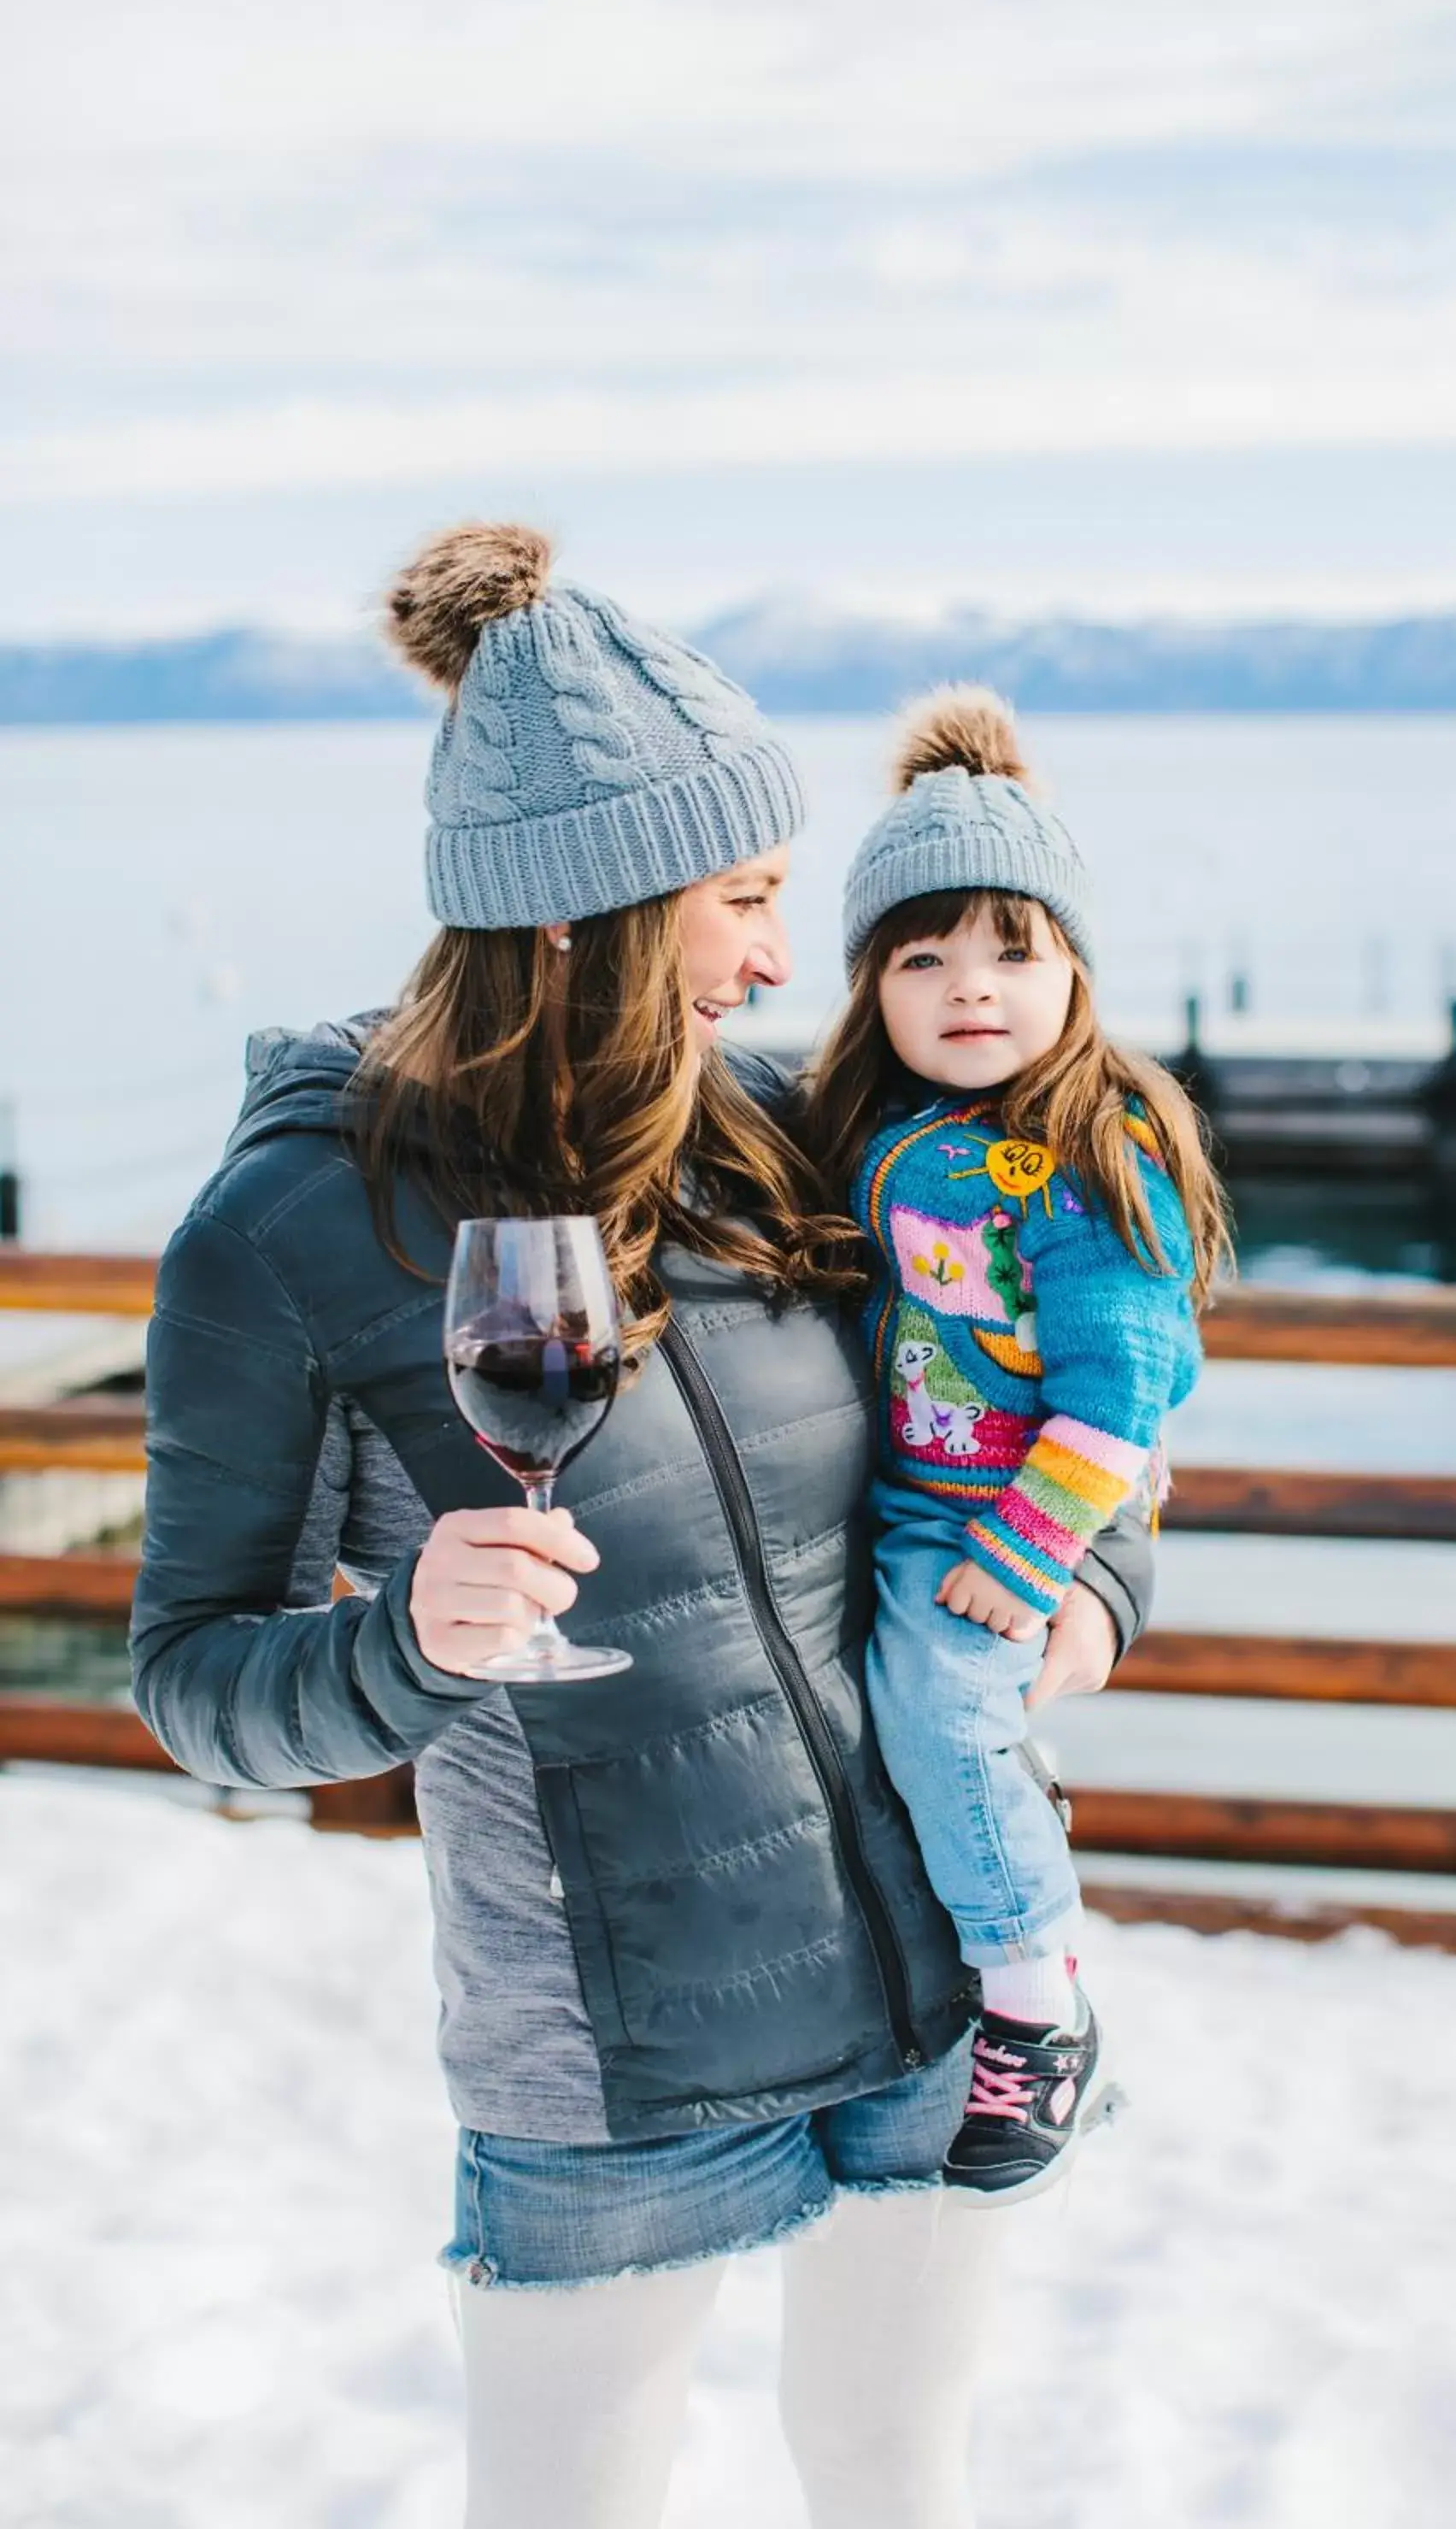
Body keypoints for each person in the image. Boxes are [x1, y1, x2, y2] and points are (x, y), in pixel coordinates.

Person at [129, 524, 1159, 2529]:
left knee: (893, 2470)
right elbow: (190, 1684)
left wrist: (1092, 1602)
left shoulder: (787, 1141)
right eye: (745, 903)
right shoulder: (283, 1237)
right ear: (592, 919)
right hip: (609, 2053)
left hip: (942, 1971)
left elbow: (1063, 1406)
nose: (781, 963)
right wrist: (401, 1647)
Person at [807, 687, 1228, 2200]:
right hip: (907, 1495)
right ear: (875, 987)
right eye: (923, 957)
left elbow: (1125, 1388)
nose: (968, 987)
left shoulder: (1084, 1154)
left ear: (1074, 969)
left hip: (992, 1518)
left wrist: (1031, 1551)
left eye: (1010, 948)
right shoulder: (875, 1128)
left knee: (942, 1710)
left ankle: (1039, 2007)